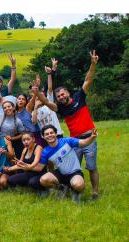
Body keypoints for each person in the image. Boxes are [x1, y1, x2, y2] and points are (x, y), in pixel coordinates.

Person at [35, 50, 100, 200]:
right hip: (74, 141)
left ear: (68, 93)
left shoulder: (80, 97)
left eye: (63, 94)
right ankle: (72, 189)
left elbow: (88, 80)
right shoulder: (61, 108)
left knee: (91, 167)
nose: (61, 97)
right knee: (72, 169)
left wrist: (92, 64)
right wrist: (37, 92)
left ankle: (95, 192)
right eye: (58, 96)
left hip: (89, 138)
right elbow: (46, 102)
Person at [19, 125, 98, 203]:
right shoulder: (45, 151)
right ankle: (62, 188)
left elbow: (83, 142)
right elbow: (39, 167)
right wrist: (28, 167)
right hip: (61, 173)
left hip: (74, 172)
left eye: (51, 133)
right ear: (43, 136)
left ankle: (76, 192)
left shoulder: (66, 141)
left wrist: (92, 137)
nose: (50, 135)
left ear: (56, 134)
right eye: (47, 134)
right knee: (43, 180)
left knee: (78, 185)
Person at [31, 61, 64, 147]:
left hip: (57, 134)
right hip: (45, 137)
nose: (39, 98)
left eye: (40, 96)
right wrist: (35, 108)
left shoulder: (48, 104)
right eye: (37, 97)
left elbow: (49, 88)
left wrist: (49, 74)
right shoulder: (35, 111)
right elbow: (34, 122)